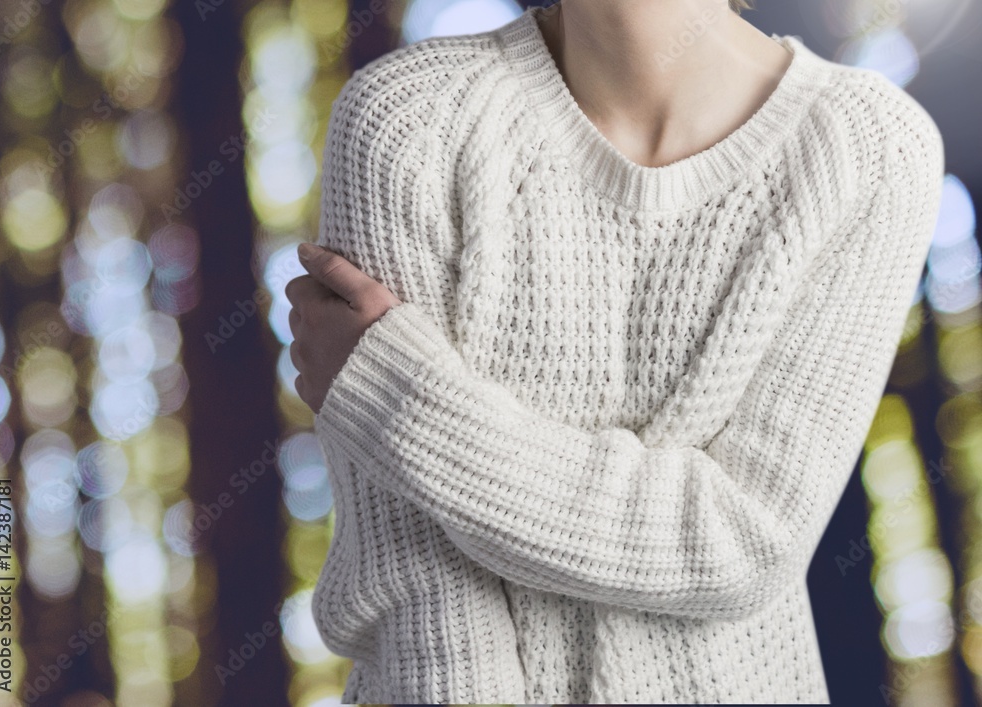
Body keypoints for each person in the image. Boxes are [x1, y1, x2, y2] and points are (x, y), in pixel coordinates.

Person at [285, 0, 945, 702]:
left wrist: (401, 400)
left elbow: (743, 540)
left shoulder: (871, 149)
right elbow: (423, 589)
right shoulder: (407, 118)